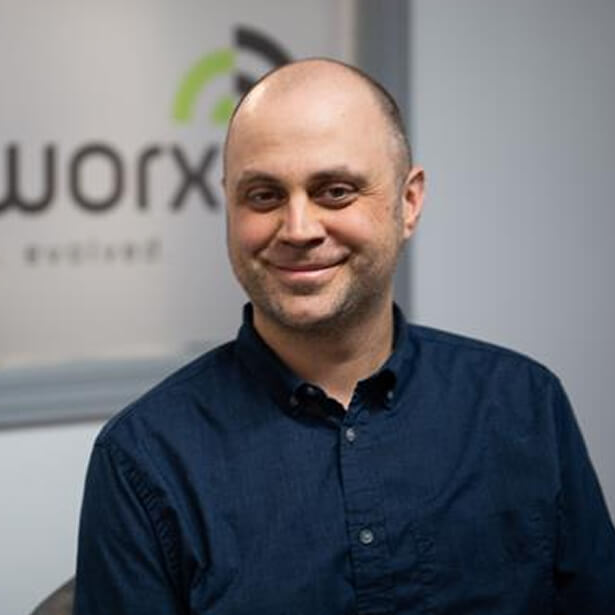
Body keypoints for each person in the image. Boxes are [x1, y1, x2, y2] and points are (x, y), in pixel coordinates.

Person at [73, 59, 615, 614]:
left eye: (335, 191)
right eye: (263, 195)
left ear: (409, 202)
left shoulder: (522, 405)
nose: (299, 229)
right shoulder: (145, 458)